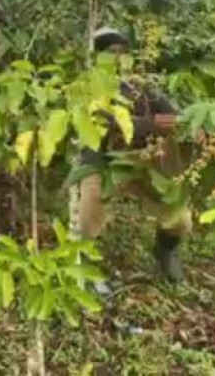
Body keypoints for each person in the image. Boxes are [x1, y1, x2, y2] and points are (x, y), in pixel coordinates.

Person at [76, 27, 191, 283]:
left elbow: (178, 119)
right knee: (86, 221)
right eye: (108, 53)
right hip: (101, 165)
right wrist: (152, 123)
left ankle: (166, 252)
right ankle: (83, 269)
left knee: (180, 218)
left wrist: (145, 123)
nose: (116, 59)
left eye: (120, 52)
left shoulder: (140, 87)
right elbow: (110, 122)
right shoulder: (87, 89)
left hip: (142, 163)